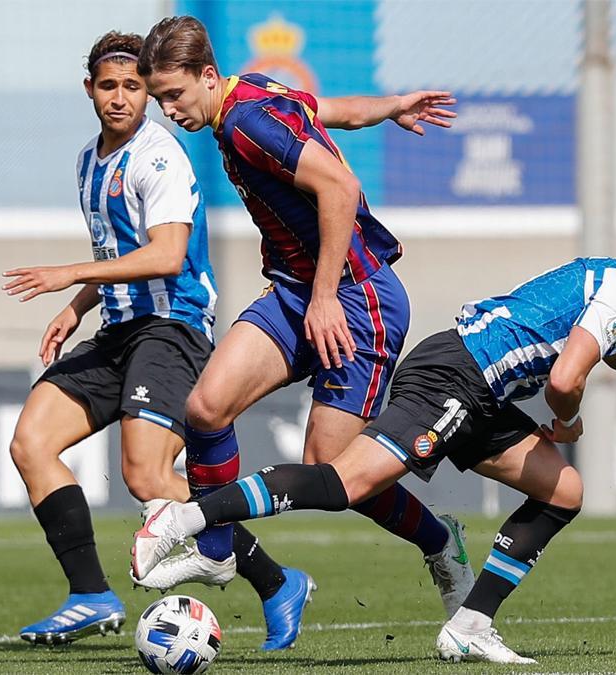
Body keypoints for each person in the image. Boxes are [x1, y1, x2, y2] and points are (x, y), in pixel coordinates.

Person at [133, 241, 616, 664]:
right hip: (457, 378)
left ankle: (470, 625)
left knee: (563, 490)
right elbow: (567, 379)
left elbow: (613, 341)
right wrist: (565, 423)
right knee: (342, 483)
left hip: (479, 388)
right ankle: (182, 517)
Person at [134, 16, 475, 635]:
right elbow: (329, 111)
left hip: (357, 300)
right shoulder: (253, 91)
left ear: (207, 76)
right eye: (159, 99)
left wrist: (324, 298)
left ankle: (439, 539)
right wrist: (392, 105)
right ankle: (215, 549)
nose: (167, 110)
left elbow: (340, 187)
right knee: (207, 408)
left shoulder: (243, 123)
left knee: (332, 466)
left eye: (174, 95)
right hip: (297, 290)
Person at [1, 32, 306, 650]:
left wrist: (70, 275)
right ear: (89, 88)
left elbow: (166, 256)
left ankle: (276, 581)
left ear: (148, 91)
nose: (120, 99)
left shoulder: (159, 156)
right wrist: (76, 306)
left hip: (173, 329)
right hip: (117, 330)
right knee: (31, 442)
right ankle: (90, 593)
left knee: (145, 475)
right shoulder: (89, 160)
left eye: (134, 87)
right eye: (108, 86)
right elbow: (120, 254)